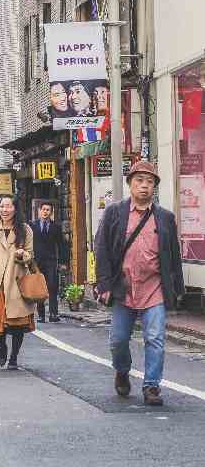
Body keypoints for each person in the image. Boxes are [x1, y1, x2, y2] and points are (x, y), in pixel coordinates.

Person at [94, 161, 185, 406]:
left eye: (149, 182)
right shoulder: (114, 212)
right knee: (119, 340)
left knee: (155, 338)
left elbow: (173, 255)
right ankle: (122, 370)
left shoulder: (165, 217)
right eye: (139, 181)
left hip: (153, 286)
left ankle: (151, 386)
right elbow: (101, 249)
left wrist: (177, 289)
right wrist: (103, 285)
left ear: (154, 186)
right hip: (123, 288)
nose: (144, 186)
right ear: (130, 184)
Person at [0, 196, 35, 370]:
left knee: (18, 322)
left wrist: (22, 255)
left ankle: (14, 357)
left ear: (15, 208)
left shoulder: (25, 230)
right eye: (2, 206)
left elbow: (31, 256)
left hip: (16, 282)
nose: (4, 210)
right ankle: (2, 347)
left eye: (8, 206)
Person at [31, 202, 67, 323]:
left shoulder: (55, 227)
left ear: (51, 212)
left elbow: (62, 245)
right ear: (39, 211)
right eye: (44, 209)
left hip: (51, 261)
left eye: (48, 210)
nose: (45, 212)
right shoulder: (32, 226)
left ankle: (53, 314)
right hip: (37, 262)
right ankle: (41, 315)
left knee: (52, 287)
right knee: (40, 288)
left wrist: (63, 262)